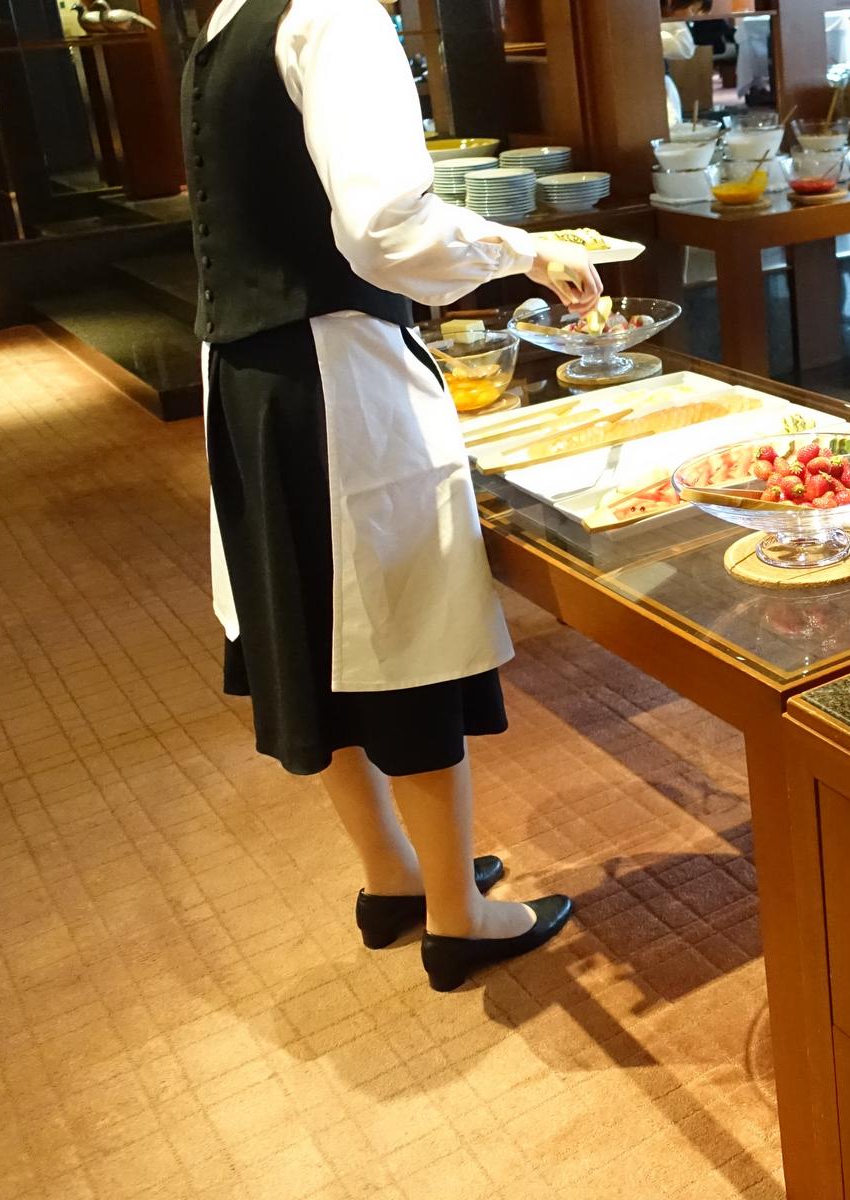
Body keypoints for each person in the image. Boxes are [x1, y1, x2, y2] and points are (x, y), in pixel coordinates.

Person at [186, 0, 602, 991]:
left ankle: (394, 878)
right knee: (401, 634)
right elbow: (385, 227)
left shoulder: (231, 16)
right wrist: (522, 251)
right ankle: (460, 915)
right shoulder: (336, 13)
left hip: (248, 377)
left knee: (311, 636)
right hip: (335, 369)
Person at [661, 0, 705, 128]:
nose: (692, 15)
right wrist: (674, 17)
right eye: (691, 9)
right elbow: (685, 48)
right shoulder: (659, 25)